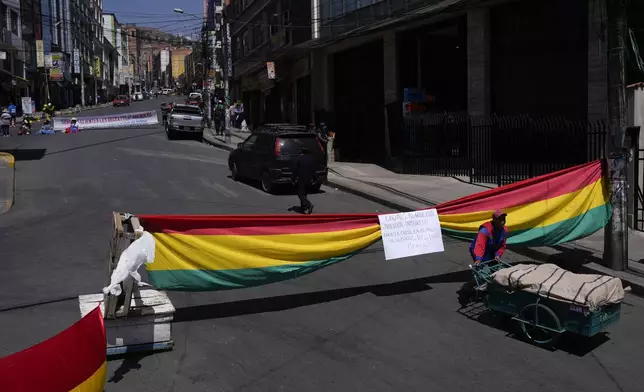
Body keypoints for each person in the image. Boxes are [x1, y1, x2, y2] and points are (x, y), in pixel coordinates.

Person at [291, 147, 316, 214]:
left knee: (300, 194)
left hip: (301, 178)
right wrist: (314, 179)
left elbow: (295, 170)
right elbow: (314, 170)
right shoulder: (311, 158)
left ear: (301, 152)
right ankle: (304, 208)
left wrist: (293, 178)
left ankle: (308, 204)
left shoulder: (298, 158)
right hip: (309, 179)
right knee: (304, 193)